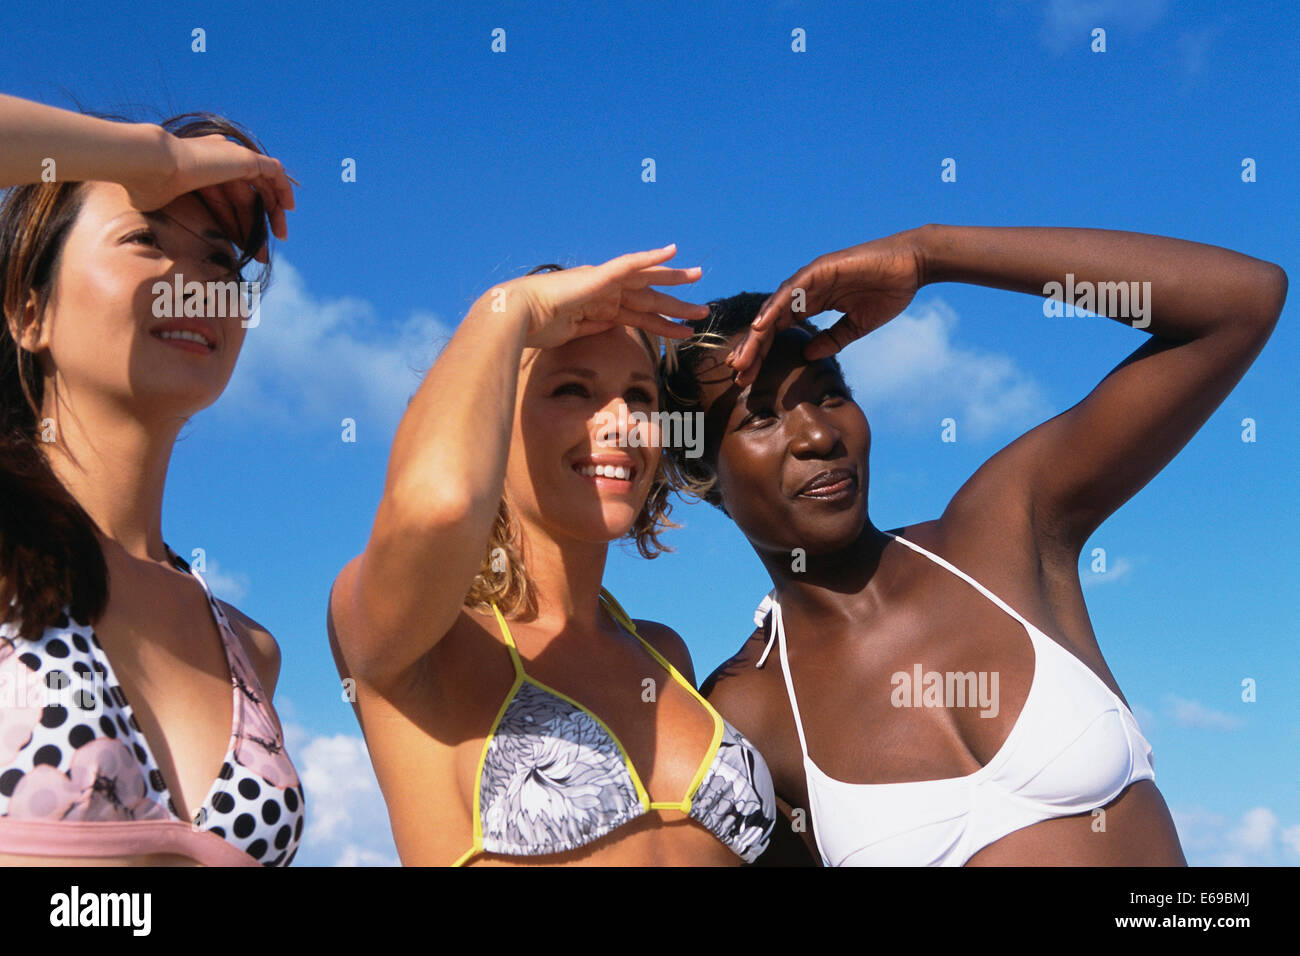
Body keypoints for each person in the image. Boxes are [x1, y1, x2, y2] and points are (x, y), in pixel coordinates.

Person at [660, 224, 1286, 866]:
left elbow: (1242, 303)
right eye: (761, 415)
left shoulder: (1001, 531)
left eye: (831, 394)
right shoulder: (746, 712)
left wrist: (930, 256)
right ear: (698, 472)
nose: (819, 435)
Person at [327, 247, 780, 866]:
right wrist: (508, 308)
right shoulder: (419, 644)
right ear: (490, 423)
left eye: (640, 397)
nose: (620, 423)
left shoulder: (662, 651)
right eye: (572, 390)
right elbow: (439, 503)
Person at [0, 93, 303, 865]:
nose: (191, 281)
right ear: (28, 310)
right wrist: (154, 159)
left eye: (218, 259)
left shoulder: (250, 650)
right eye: (144, 236)